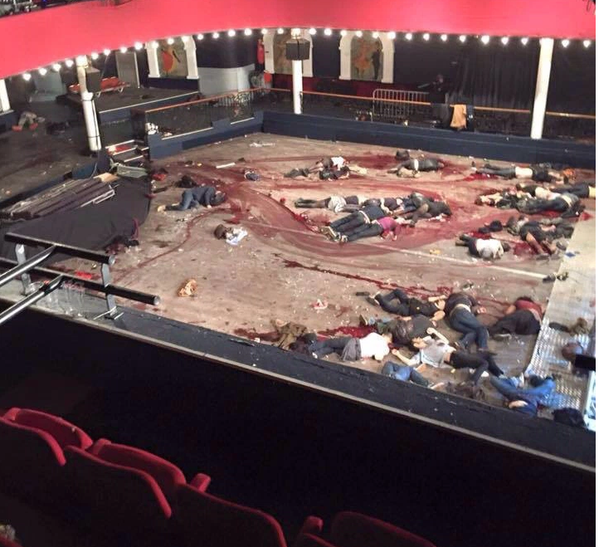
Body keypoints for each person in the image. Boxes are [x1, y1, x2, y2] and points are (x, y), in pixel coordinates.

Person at [391, 336, 505, 385]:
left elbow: (443, 339)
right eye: (417, 340)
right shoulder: (422, 354)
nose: (419, 338)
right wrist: (398, 354)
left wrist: (432, 334)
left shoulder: (431, 341)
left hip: (459, 353)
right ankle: (472, 382)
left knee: (487, 356)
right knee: (484, 363)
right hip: (454, 359)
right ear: (415, 345)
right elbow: (410, 363)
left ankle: (499, 375)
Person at [490, 374, 556, 416]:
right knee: (549, 384)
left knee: (493, 380)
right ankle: (535, 379)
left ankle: (516, 381)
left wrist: (510, 405)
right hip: (533, 399)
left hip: (519, 396)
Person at [366, 289, 446, 321]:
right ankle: (380, 300)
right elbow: (429, 299)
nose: (441, 301)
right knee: (397, 292)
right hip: (411, 302)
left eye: (443, 301)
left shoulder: (440, 311)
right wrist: (439, 297)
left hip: (410, 310)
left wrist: (432, 319)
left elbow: (435, 318)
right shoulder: (435, 303)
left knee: (391, 308)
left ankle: (378, 297)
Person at [307, 332, 392, 362]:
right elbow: (377, 357)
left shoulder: (375, 335)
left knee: (328, 342)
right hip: (353, 355)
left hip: (353, 343)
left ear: (383, 335)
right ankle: (316, 355)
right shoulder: (386, 350)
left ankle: (309, 348)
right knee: (334, 349)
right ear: (389, 341)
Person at [474, 162, 570, 183]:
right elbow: (548, 177)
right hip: (515, 172)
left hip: (516, 170)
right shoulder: (541, 174)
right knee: (496, 172)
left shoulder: (540, 171)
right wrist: (558, 179)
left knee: (498, 169)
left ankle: (485, 166)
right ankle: (479, 169)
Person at [158, 186, 226, 212]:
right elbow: (207, 195)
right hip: (189, 193)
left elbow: (207, 200)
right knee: (183, 208)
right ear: (218, 192)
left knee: (196, 205)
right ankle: (165, 207)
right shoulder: (212, 189)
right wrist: (208, 204)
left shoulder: (212, 198)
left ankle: (181, 204)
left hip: (194, 199)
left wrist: (209, 204)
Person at [294, 195, 364, 213]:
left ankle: (301, 202)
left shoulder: (358, 200)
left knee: (318, 203)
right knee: (317, 204)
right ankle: (299, 204)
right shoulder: (358, 205)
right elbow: (347, 207)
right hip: (335, 203)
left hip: (335, 201)